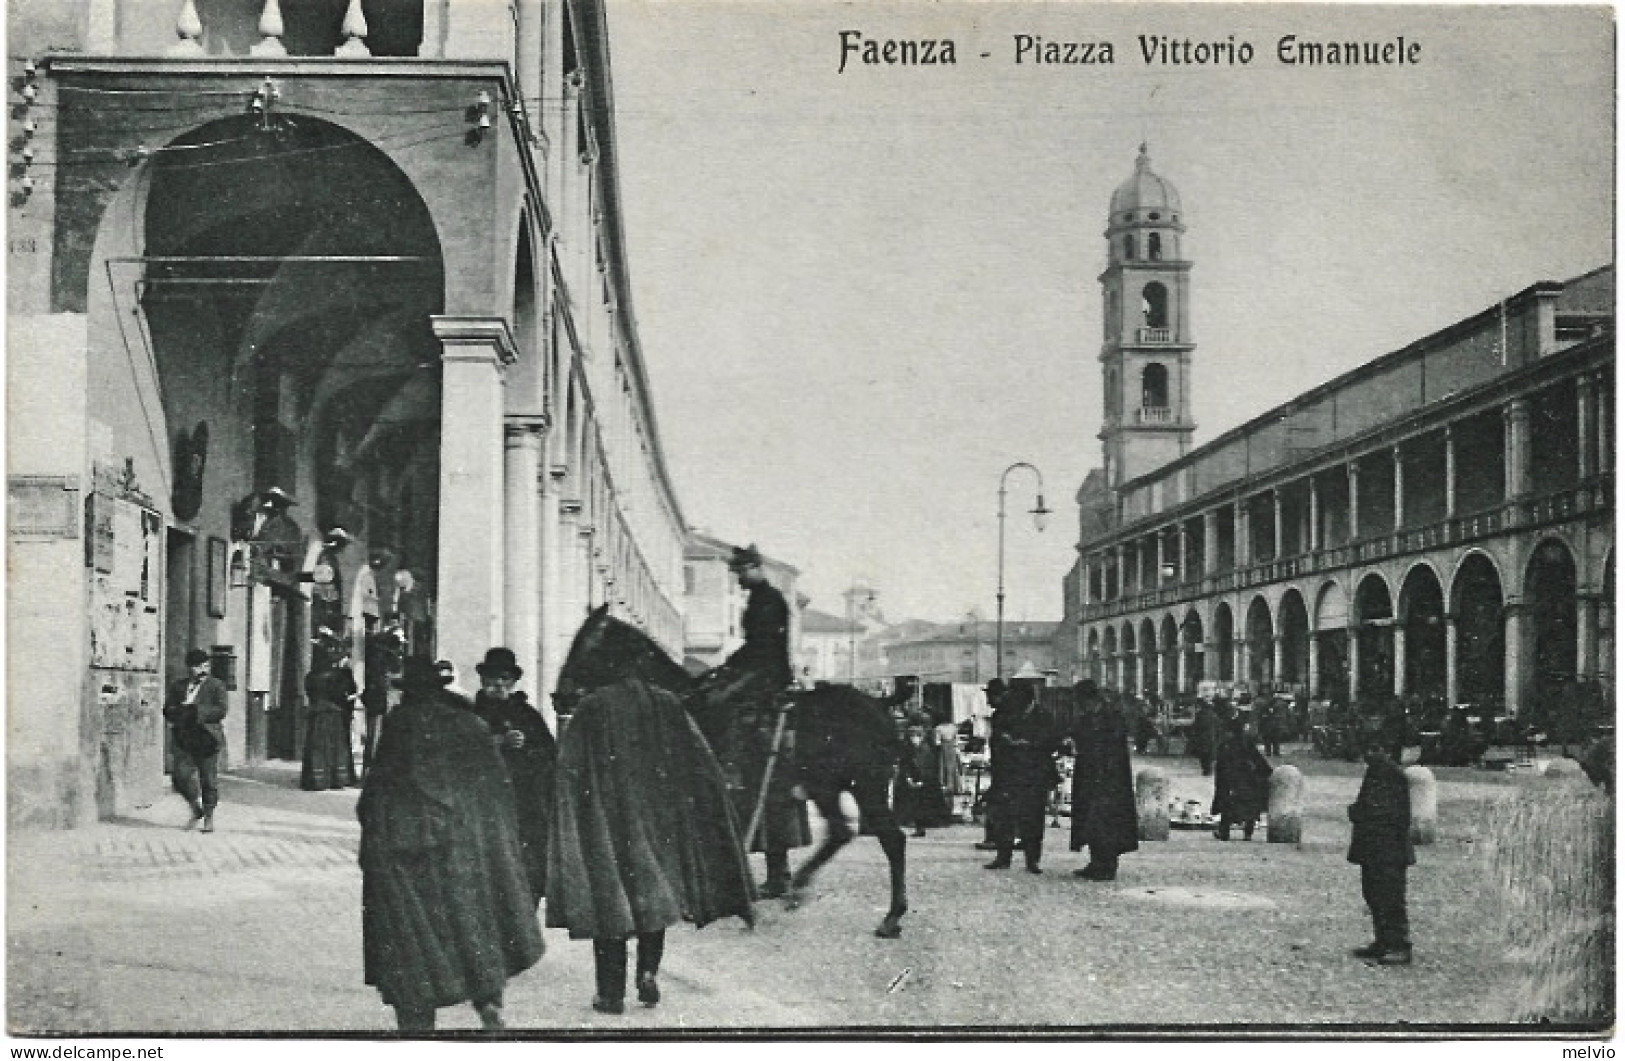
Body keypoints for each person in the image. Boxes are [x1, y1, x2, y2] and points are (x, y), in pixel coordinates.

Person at [546, 655, 756, 1014]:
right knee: (653, 899)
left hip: (606, 820)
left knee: (610, 903)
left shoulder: (592, 706)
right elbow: (700, 759)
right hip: (660, 818)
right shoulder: (667, 703)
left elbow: (569, 768)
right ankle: (647, 972)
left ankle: (610, 995)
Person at [357, 656, 543, 1031]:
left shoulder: (402, 724)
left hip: (408, 850)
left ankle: (417, 1023)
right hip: (464, 845)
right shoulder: (470, 724)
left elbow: (377, 790)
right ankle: (488, 999)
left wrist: (373, 836)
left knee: (410, 935)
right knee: (473, 922)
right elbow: (497, 790)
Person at [691, 544, 808, 898]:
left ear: (755, 567)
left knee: (715, 701)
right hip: (758, 667)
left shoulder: (768, 600)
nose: (738, 580)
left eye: (741, 572)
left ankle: (726, 760)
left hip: (766, 674)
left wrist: (731, 669)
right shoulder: (759, 597)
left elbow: (763, 648)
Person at [469, 647, 556, 906]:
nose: (498, 684)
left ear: (514, 681)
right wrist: (497, 742)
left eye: (504, 678)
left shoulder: (528, 715)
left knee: (525, 873)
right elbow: (457, 752)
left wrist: (528, 749)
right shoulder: (470, 714)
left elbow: (550, 755)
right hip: (481, 806)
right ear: (483, 680)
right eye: (492, 678)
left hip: (523, 806)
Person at [1347, 746, 1415, 965]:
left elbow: (1391, 814)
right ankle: (1382, 940)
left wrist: (1357, 812)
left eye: (1374, 749)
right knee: (1373, 894)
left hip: (1388, 849)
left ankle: (1398, 944)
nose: (1367, 754)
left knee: (1390, 896)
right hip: (1374, 847)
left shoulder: (1392, 775)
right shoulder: (1376, 772)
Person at [984, 682, 1059, 873]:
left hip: (1035, 774)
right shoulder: (1006, 715)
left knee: (1033, 818)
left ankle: (1032, 860)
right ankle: (1003, 857)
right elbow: (998, 741)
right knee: (1005, 816)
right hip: (1010, 773)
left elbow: (1052, 742)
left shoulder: (1044, 716)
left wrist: (1027, 744)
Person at [1069, 683, 1139, 881]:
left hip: (1110, 780)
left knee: (1107, 823)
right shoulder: (1088, 719)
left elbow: (1112, 748)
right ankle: (1095, 861)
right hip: (1090, 777)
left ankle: (1107, 865)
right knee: (1090, 821)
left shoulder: (1112, 718)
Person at [164, 648, 229, 832]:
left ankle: (209, 816)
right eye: (198, 666)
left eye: (205, 665)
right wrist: (179, 712)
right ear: (189, 668)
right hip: (184, 738)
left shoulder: (217, 686)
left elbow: (221, 710)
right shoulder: (178, 686)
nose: (202, 669)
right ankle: (195, 807)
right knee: (180, 776)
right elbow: (168, 709)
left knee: (208, 778)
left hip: (207, 737)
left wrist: (196, 711)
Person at [302, 634, 358, 790]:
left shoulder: (311, 676)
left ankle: (316, 779)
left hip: (316, 714)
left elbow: (309, 692)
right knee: (334, 748)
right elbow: (341, 694)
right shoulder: (336, 676)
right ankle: (335, 779)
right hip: (333, 715)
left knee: (316, 748)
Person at [1211, 717, 1273, 841]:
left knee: (1228, 807)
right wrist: (1267, 772)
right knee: (1250, 807)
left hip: (1230, 781)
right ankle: (1248, 833)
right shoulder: (1246, 742)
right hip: (1248, 780)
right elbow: (1259, 760)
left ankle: (1224, 832)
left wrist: (1220, 781)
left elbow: (1221, 765)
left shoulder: (1226, 745)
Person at [1189, 699, 1218, 775]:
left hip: (1202, 736)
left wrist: (1193, 733)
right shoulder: (1214, 715)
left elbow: (1195, 726)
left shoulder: (1200, 714)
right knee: (1209, 754)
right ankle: (1209, 769)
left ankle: (1205, 769)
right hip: (1211, 736)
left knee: (1203, 754)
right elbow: (1217, 726)